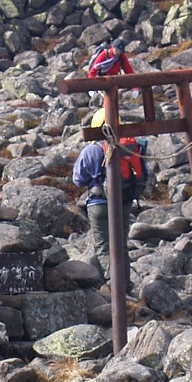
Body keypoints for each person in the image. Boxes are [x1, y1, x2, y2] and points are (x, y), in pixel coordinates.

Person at [73, 111, 148, 293]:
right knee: (121, 244)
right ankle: (126, 285)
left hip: (99, 203)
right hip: (124, 202)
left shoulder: (92, 150)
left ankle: (115, 285)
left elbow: (78, 180)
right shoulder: (130, 147)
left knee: (104, 247)